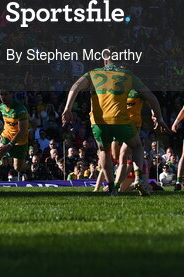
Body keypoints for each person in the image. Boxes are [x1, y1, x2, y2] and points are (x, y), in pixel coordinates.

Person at [62, 51, 168, 196]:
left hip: (99, 123)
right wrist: (159, 118)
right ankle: (138, 179)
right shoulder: (127, 75)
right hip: (120, 120)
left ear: (105, 61)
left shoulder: (93, 73)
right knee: (137, 145)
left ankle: (112, 188)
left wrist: (68, 108)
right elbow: (151, 97)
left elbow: (75, 86)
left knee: (104, 151)